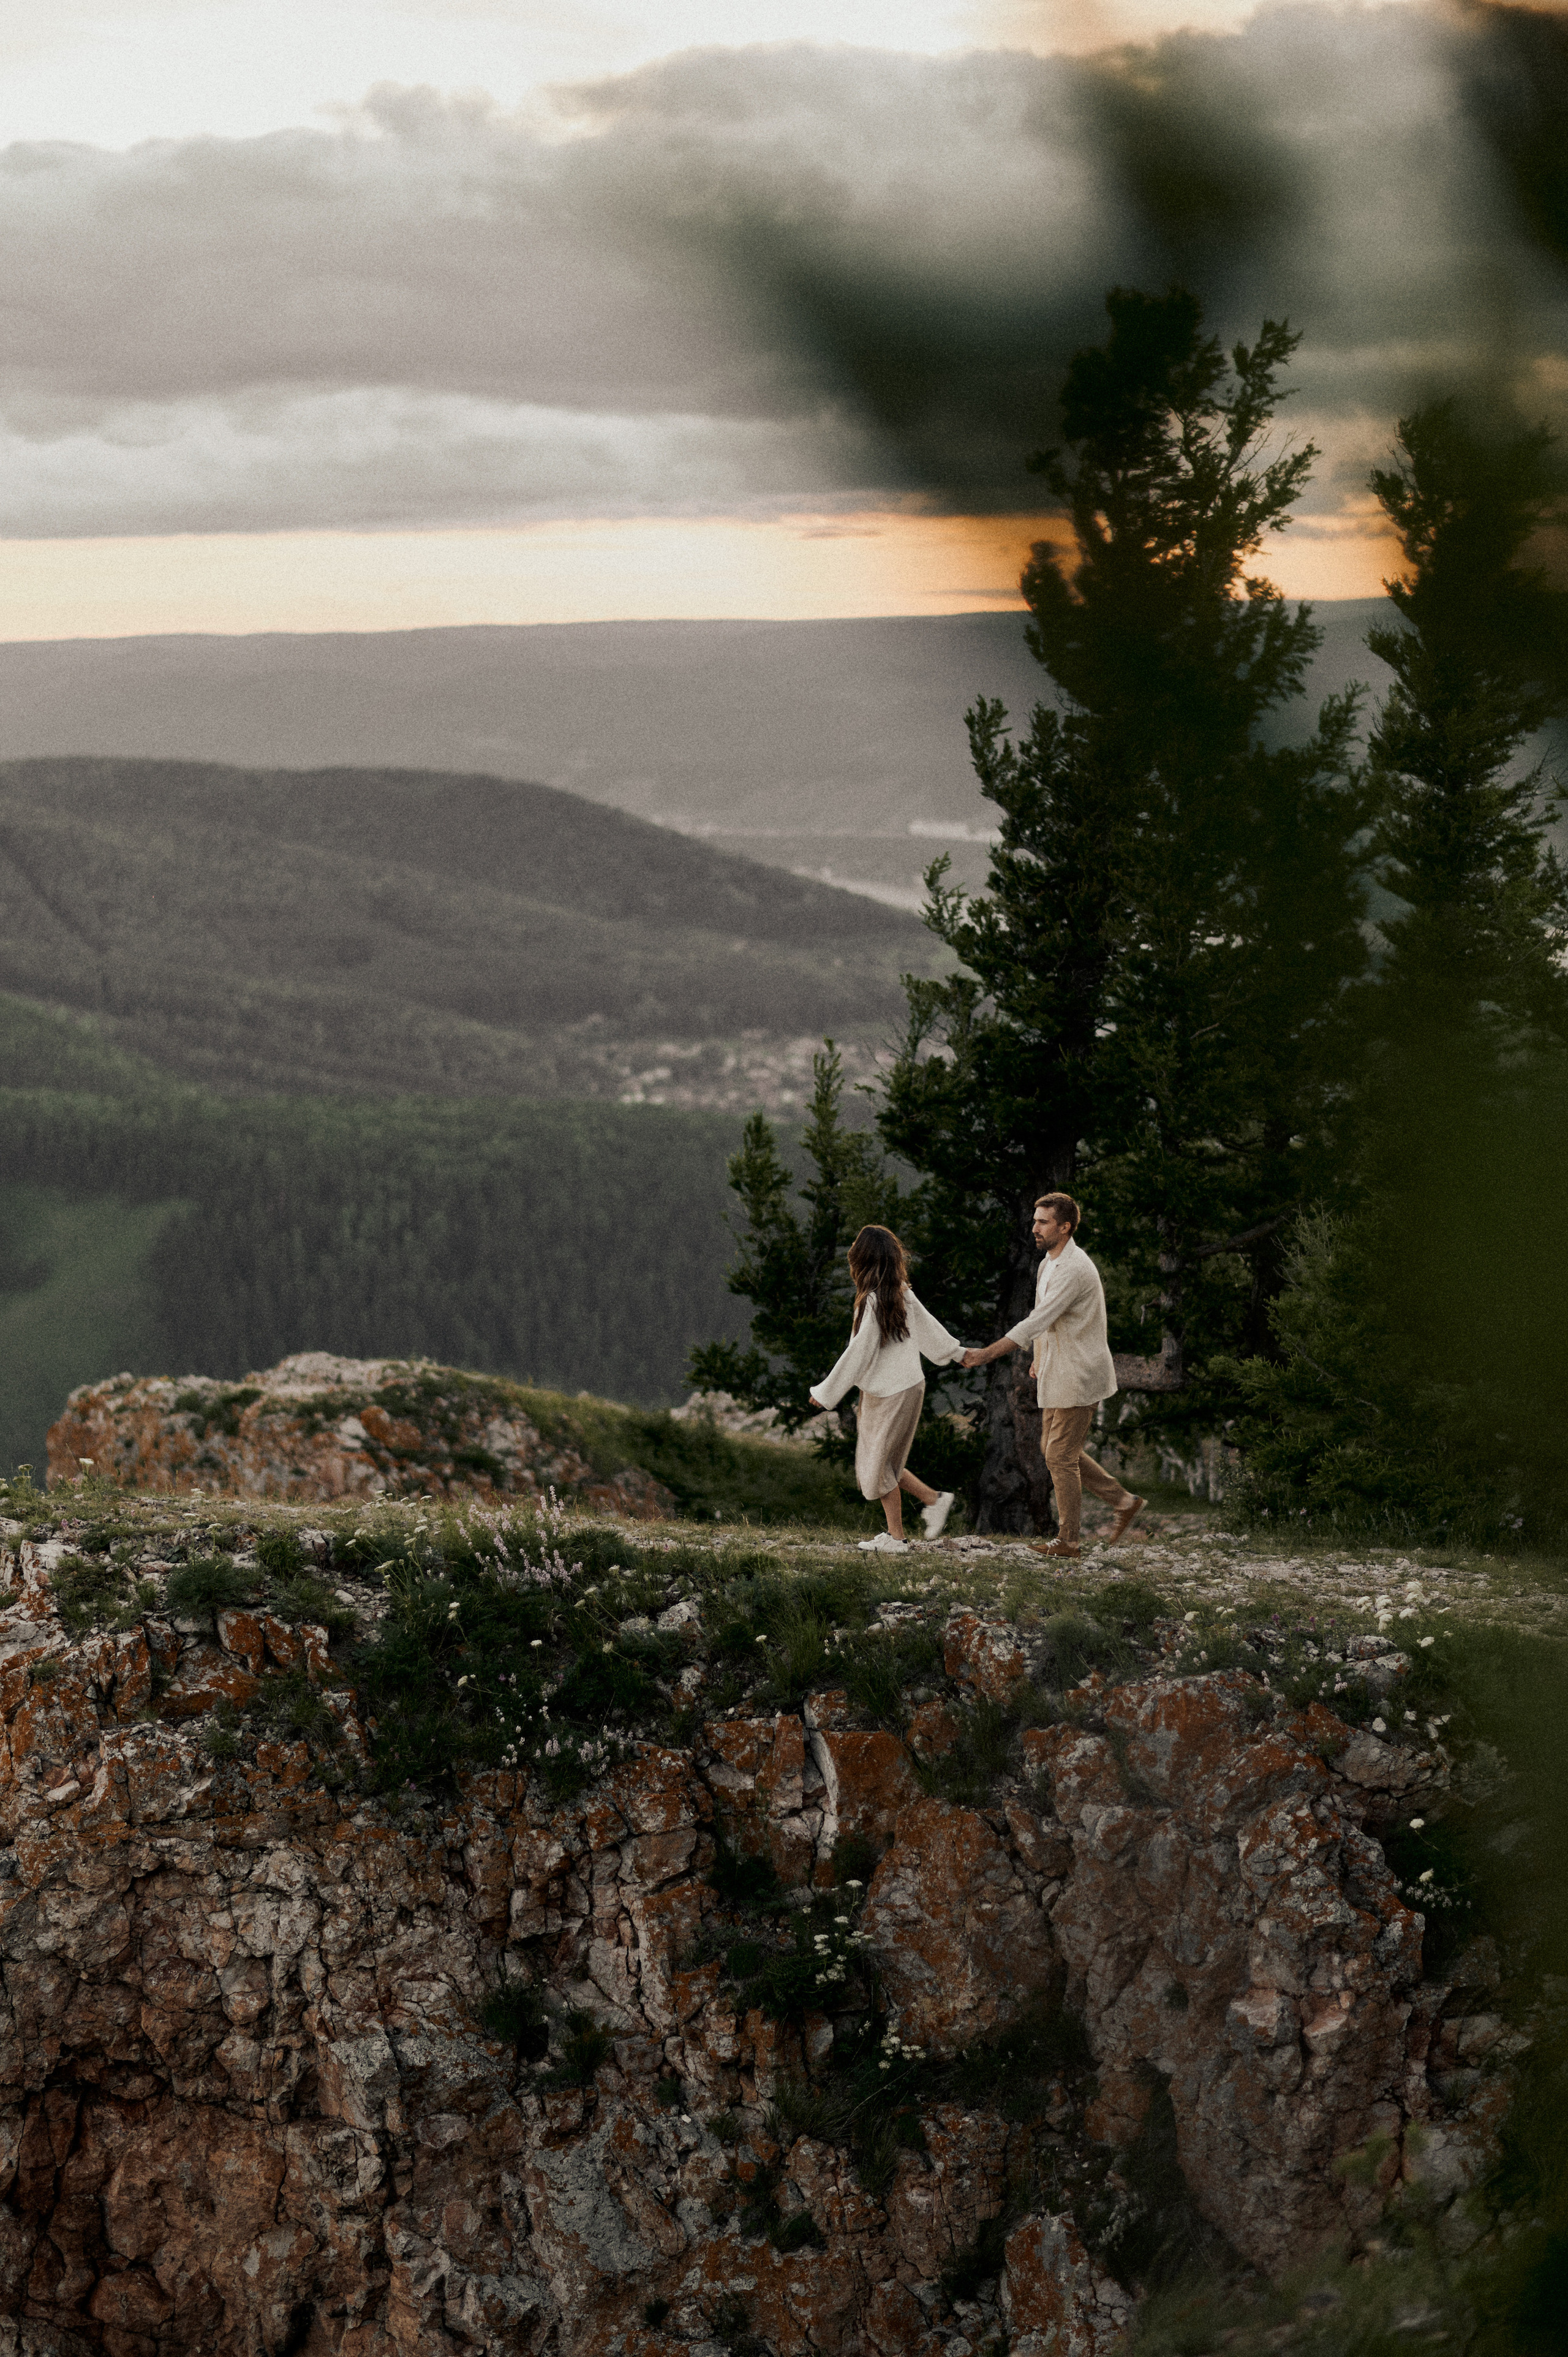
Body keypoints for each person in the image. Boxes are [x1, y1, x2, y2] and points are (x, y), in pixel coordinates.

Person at [963, 1193, 1144, 1559]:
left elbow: (1035, 1322)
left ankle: (1069, 1542)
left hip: (1080, 1374)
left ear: (1065, 1227)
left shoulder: (1076, 1268)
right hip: (1056, 1369)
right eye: (1035, 1220)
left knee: (1059, 1456)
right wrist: (1038, 1358)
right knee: (1053, 1449)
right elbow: (1047, 1317)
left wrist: (986, 1354)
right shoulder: (1049, 1263)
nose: (1035, 1228)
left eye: (1043, 1222)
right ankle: (1123, 1500)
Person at [809, 1224, 962, 1553]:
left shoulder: (875, 1300)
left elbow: (858, 1352)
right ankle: (933, 1501)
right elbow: (930, 1329)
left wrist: (825, 1393)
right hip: (900, 1388)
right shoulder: (899, 1292)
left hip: (892, 1392)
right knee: (884, 1463)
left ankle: (898, 1539)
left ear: (860, 1260)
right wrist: (955, 1353)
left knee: (876, 1466)